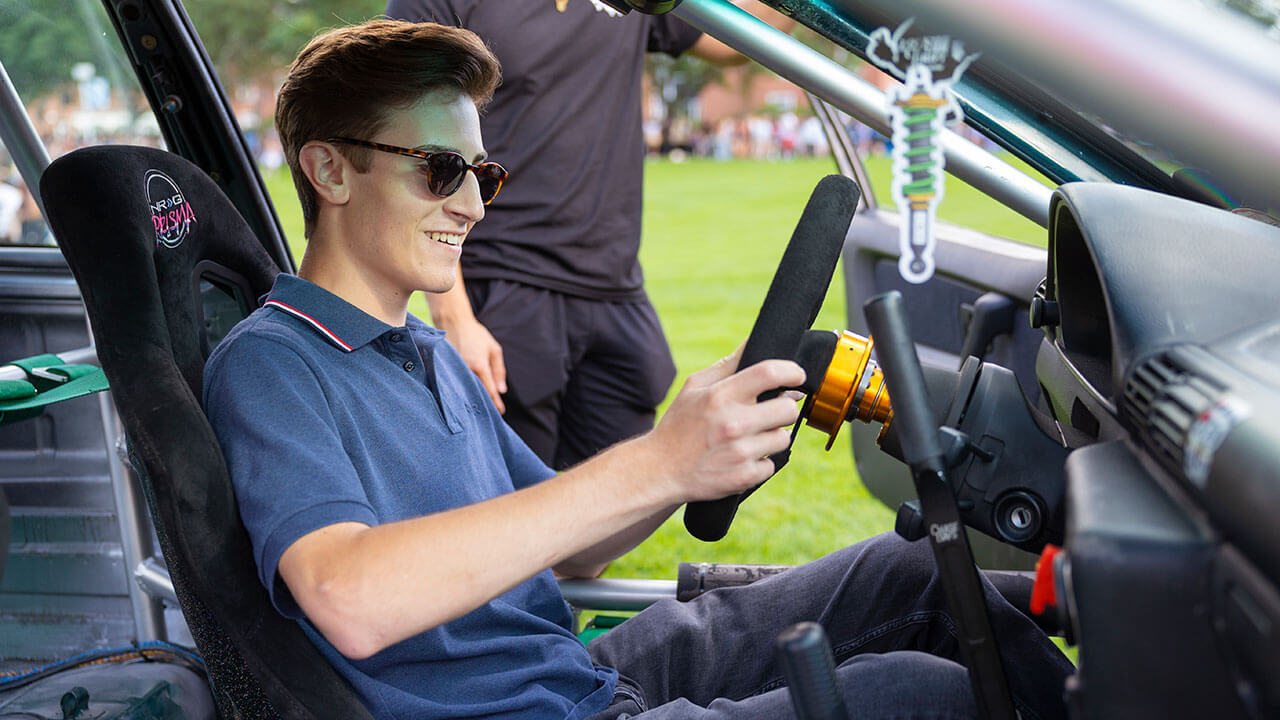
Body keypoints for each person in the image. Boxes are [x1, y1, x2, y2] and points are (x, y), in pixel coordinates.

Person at [203, 20, 1073, 720]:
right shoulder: (274, 364)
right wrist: (658, 463)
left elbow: (574, 542)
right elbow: (350, 597)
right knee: (915, 698)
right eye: (439, 171)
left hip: (573, 676)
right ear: (328, 170)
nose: (470, 204)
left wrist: (688, 444)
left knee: (910, 572)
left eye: (480, 173)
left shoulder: (430, 354)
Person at [383, 0, 788, 472]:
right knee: (515, 515)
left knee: (610, 513)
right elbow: (407, 141)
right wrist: (455, 318)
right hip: (505, 290)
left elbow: (737, 35)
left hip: (616, 295)